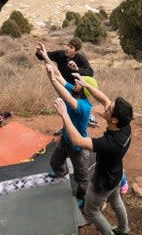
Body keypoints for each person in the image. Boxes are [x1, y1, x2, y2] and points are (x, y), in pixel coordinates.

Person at [53, 78, 133, 235]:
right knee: (116, 200)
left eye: (109, 108)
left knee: (92, 212)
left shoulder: (109, 143)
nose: (106, 105)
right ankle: (124, 229)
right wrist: (86, 85)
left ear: (114, 120)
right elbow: (103, 98)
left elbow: (77, 140)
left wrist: (64, 114)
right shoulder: (125, 125)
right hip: (116, 175)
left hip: (102, 182)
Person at [43, 62, 97, 208]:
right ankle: (61, 173)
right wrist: (46, 59)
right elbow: (60, 76)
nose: (75, 83)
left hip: (77, 146)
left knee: (82, 177)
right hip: (65, 139)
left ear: (84, 89)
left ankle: (81, 196)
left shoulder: (84, 106)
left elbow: (66, 98)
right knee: (55, 162)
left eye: (79, 83)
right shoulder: (74, 91)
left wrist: (52, 79)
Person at [36, 40, 98, 130]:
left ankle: (86, 118)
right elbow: (46, 56)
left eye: (71, 47)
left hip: (77, 88)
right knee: (66, 106)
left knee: (76, 107)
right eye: (67, 45)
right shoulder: (60, 54)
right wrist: (40, 53)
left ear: (75, 51)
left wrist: (77, 69)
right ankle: (68, 126)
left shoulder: (81, 59)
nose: (67, 48)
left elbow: (90, 72)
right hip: (64, 84)